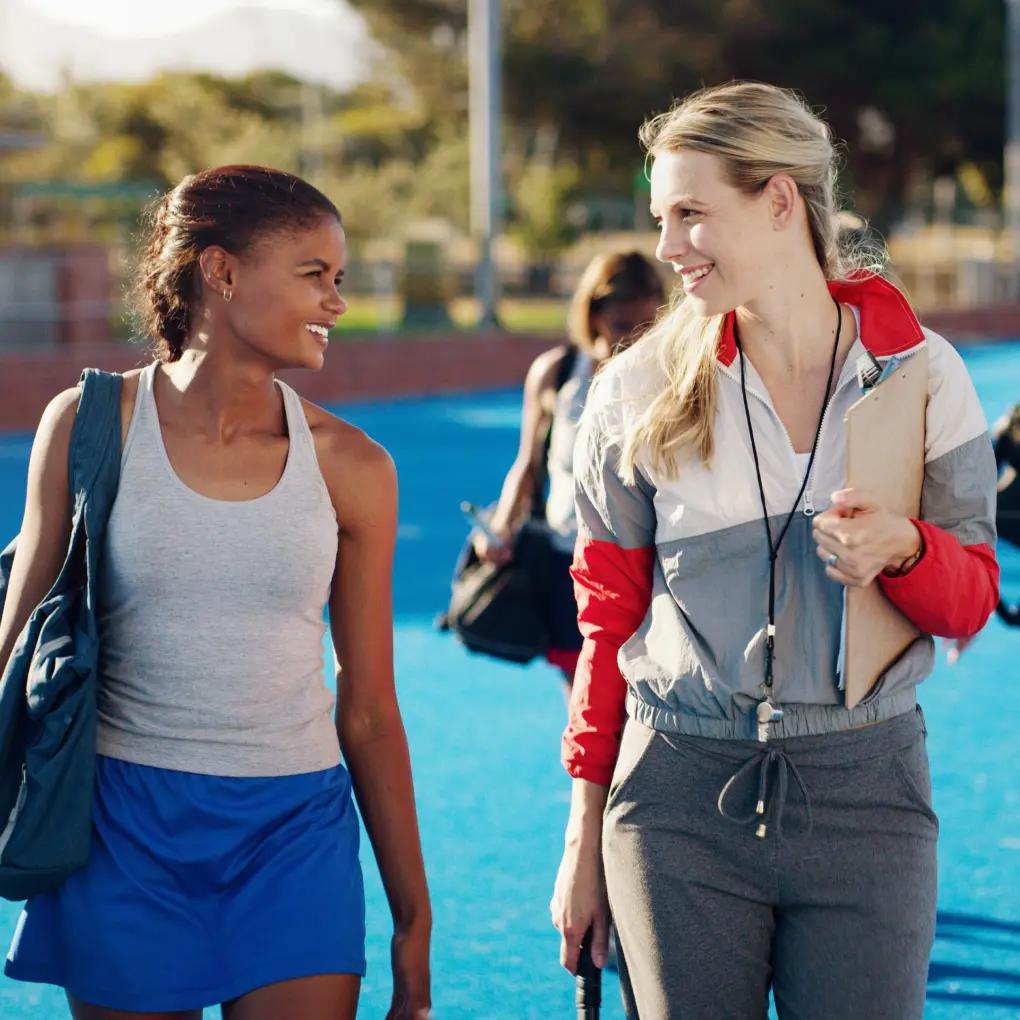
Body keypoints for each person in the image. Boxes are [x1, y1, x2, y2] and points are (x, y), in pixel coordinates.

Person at [550, 83, 999, 1019]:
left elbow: (968, 604)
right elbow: (607, 629)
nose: (667, 246)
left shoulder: (925, 378)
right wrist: (581, 838)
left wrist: (907, 549)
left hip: (868, 789)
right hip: (673, 796)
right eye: (660, 218)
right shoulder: (633, 393)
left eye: (691, 213)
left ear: (782, 201)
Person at [0, 165, 431, 1020]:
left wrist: (413, 921)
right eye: (314, 275)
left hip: (293, 832)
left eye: (338, 279)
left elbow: (371, 708)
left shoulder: (356, 469)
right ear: (221, 271)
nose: (335, 302)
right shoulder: (89, 424)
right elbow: (15, 650)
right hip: (121, 828)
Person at [472, 251, 664, 687]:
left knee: (644, 692)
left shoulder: (669, 374)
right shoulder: (558, 374)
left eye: (644, 329)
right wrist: (501, 526)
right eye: (619, 327)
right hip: (568, 560)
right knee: (583, 692)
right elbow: (527, 461)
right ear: (593, 313)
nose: (629, 343)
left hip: (648, 563)